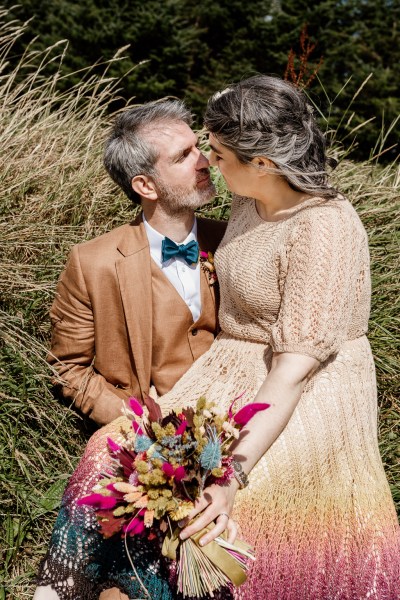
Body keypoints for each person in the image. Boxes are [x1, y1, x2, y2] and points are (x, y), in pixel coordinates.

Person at [38, 75, 400, 599]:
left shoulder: (324, 227)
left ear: (264, 162)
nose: (209, 159)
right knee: (106, 451)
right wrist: (136, 414)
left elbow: (294, 368)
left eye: (217, 150)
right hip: (225, 379)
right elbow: (68, 365)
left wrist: (231, 473)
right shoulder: (245, 202)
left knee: (219, 502)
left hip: (301, 383)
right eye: (195, 150)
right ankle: (65, 589)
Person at [34, 100, 227, 599]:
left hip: (233, 432)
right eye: (184, 155)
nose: (204, 159)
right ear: (145, 185)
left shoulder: (236, 244)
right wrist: (137, 424)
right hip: (141, 437)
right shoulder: (93, 262)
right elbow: (68, 368)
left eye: (200, 147)